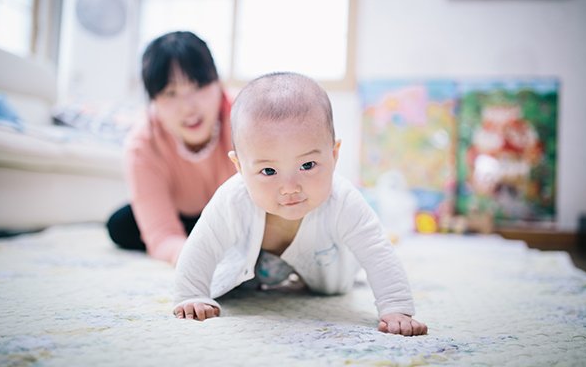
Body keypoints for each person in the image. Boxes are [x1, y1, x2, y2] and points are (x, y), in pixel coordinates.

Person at [172, 72, 428, 336]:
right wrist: (192, 294)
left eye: (307, 165)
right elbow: (202, 244)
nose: (290, 187)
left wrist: (396, 308)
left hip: (330, 272)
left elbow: (376, 250)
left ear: (333, 155)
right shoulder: (232, 199)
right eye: (269, 171)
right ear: (239, 167)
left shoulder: (343, 200)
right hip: (253, 278)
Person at [106, 31, 236, 265]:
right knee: (120, 225)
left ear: (219, 84)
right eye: (170, 93)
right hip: (182, 214)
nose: (189, 107)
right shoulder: (142, 144)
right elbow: (162, 235)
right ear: (153, 101)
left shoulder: (246, 117)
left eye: (198, 86)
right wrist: (196, 259)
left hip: (236, 214)